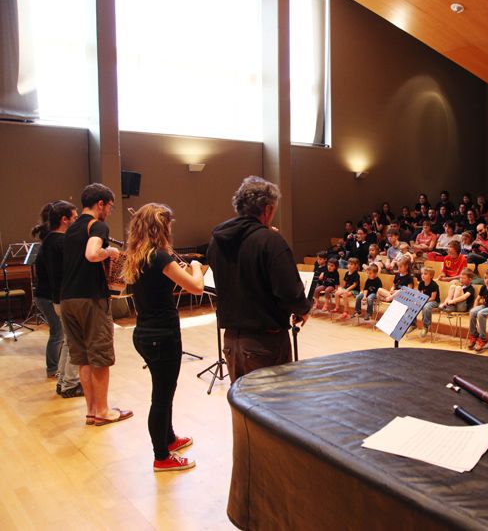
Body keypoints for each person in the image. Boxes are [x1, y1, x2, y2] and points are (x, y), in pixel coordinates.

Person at [123, 203, 204, 472]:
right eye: (168, 225)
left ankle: (168, 438)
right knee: (161, 397)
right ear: (160, 227)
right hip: (162, 335)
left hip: (145, 333)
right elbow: (196, 287)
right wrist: (195, 266)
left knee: (165, 390)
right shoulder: (159, 258)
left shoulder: (138, 256)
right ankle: (161, 456)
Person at [207, 176, 311, 382]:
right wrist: (303, 310)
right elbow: (289, 292)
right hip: (265, 343)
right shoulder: (270, 241)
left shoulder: (216, 241)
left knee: (242, 402)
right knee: (274, 400)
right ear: (267, 209)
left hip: (231, 341)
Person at [60, 183, 131, 426]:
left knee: (83, 358)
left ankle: (91, 411)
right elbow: (92, 254)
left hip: (68, 299)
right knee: (100, 357)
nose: (109, 211)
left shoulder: (71, 228)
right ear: (100, 204)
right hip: (90, 299)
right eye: (110, 206)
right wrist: (109, 252)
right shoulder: (98, 225)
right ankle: (103, 411)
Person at [32, 200, 83, 397]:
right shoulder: (61, 242)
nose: (77, 220)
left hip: (57, 299)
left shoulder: (49, 240)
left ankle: (63, 381)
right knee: (74, 343)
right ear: (64, 220)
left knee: (68, 341)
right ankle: (70, 384)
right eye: (75, 217)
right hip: (65, 298)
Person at [417, 267, 440, 338]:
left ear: (431, 276)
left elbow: (433, 298)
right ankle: (412, 324)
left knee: (426, 307)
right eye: (422, 274)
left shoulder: (434, 285)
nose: (423, 275)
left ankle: (425, 326)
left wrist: (423, 302)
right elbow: (419, 294)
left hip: (434, 302)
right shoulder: (421, 283)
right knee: (413, 305)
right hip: (425, 300)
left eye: (425, 274)